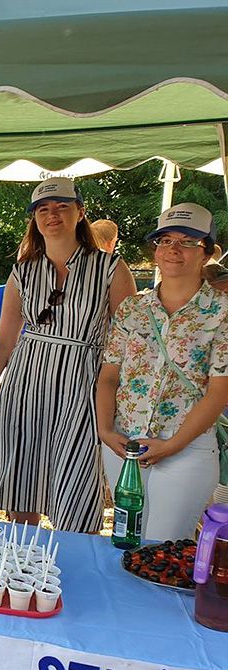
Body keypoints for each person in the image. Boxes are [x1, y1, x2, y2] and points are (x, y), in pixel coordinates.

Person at [0, 178, 137, 533]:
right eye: (43, 209)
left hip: (83, 386)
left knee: (76, 487)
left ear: (80, 212)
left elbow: (129, 343)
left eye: (61, 207)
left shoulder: (110, 267)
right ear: (34, 218)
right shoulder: (23, 270)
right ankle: (22, 560)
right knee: (21, 487)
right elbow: (3, 340)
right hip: (26, 385)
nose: (52, 215)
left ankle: (73, 563)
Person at [97, 203, 228, 540]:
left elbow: (219, 392)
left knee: (161, 546)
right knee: (125, 542)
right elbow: (109, 375)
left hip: (187, 448)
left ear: (207, 253)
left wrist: (172, 445)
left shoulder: (222, 311)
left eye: (187, 242)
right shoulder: (133, 308)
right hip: (125, 445)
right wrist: (105, 430)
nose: (173, 249)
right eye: (165, 240)